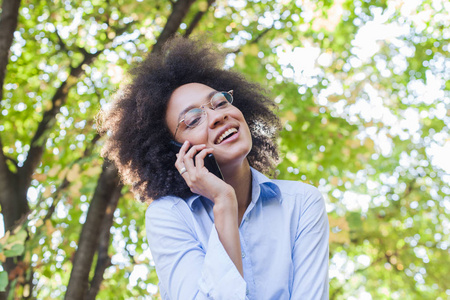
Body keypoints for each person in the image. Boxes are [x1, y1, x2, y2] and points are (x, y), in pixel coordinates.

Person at [101, 36, 329, 300]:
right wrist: (224, 202)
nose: (218, 115)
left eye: (220, 102)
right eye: (194, 119)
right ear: (175, 151)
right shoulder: (169, 216)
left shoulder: (301, 204)